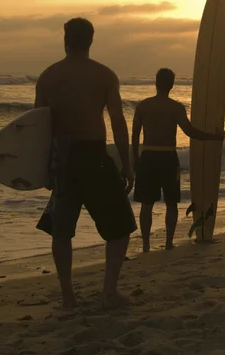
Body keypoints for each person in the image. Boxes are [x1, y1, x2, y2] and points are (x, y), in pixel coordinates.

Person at [35, 18, 137, 309]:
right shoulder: (104, 75)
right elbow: (118, 123)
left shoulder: (48, 76)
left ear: (65, 39)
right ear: (91, 41)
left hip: (63, 159)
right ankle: (108, 293)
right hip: (94, 157)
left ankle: (68, 296)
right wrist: (127, 164)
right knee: (119, 227)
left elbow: (36, 128)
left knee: (61, 230)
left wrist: (42, 168)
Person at [132, 68, 225, 253]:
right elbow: (190, 131)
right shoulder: (176, 108)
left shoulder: (143, 106)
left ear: (155, 83)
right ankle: (168, 243)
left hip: (148, 156)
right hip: (168, 157)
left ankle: (145, 246)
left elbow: (134, 136)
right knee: (171, 202)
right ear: (172, 85)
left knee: (146, 203)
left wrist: (134, 159)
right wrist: (213, 137)